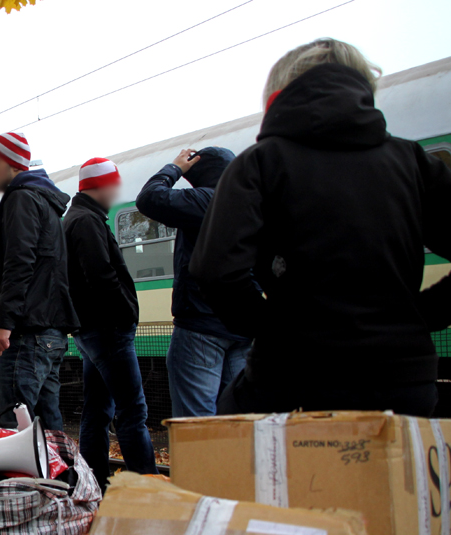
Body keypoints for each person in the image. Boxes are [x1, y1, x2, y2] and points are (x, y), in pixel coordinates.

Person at [191, 38, 451, 416]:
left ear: (278, 94)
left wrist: (275, 332)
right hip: (404, 377)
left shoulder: (260, 163)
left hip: (292, 377)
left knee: (228, 451)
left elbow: (214, 270)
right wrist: (419, 317)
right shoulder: (412, 161)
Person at [136, 147, 251, 417]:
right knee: (241, 416)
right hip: (244, 325)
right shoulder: (253, 203)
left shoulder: (206, 199)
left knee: (196, 421)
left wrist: (174, 168)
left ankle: (202, 460)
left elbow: (150, 198)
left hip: (202, 323)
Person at [65, 158, 157, 487]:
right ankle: (147, 487)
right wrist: (125, 311)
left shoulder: (78, 219)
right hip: (108, 329)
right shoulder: (87, 222)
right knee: (132, 411)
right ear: (100, 186)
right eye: (113, 185)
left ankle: (95, 484)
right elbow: (100, 275)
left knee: (98, 411)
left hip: (92, 330)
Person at [0, 132, 79, 430]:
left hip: (27, 332)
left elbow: (19, 262)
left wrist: (4, 322)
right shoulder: (45, 201)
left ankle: (24, 478)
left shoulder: (21, 198)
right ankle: (63, 476)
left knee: (14, 424)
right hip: (49, 331)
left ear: (10, 164)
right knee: (48, 424)